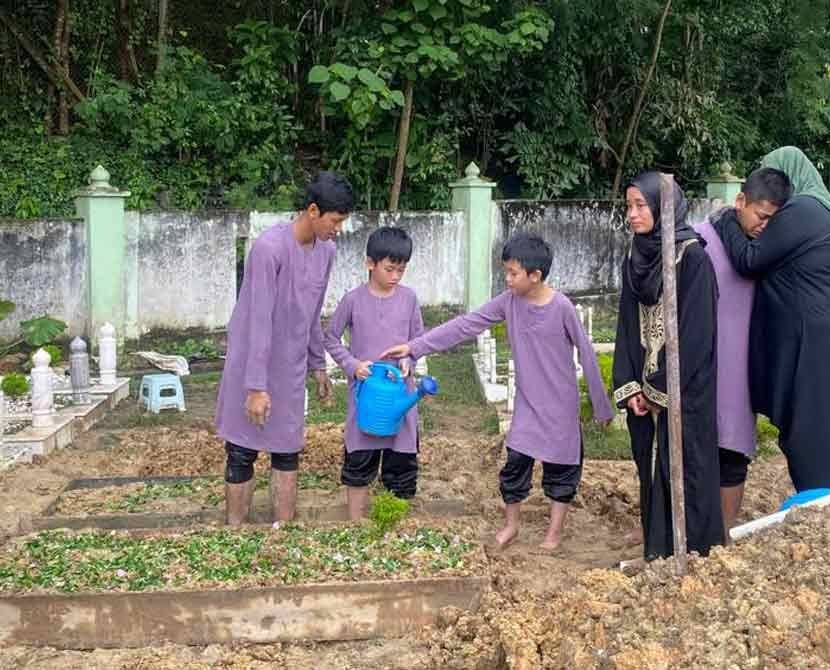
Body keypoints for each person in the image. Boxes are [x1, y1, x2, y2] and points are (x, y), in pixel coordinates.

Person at [381, 233, 614, 551]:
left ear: (535, 275)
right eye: (506, 271)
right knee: (515, 464)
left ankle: (554, 533)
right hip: (527, 404)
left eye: (513, 273)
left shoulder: (562, 307)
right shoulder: (509, 302)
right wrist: (415, 347)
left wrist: (601, 406)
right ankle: (511, 526)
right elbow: (466, 325)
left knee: (562, 471)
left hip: (560, 407)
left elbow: (586, 353)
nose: (507, 279)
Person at [712, 146, 830, 492]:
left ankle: (822, 498)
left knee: (813, 427)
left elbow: (749, 260)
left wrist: (727, 220)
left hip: (818, 342)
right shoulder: (821, 211)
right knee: (825, 426)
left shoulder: (803, 209)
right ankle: (826, 497)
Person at [214, 171, 353, 525]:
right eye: (335, 221)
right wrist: (255, 387)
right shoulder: (269, 249)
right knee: (242, 450)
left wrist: (318, 365)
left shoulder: (326, 252)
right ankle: (234, 532)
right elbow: (258, 319)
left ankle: (284, 533)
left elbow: (312, 312)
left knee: (287, 450)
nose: (338, 229)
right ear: (313, 211)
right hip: (251, 361)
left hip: (289, 366)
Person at [612, 171, 724, 563]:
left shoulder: (692, 258)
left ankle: (695, 554)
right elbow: (627, 324)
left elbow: (697, 335)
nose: (632, 214)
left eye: (640, 205)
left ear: (664, 208)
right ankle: (657, 551)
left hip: (686, 390)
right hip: (645, 390)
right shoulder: (634, 257)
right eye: (629, 206)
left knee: (685, 469)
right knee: (650, 469)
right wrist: (631, 385)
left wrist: (659, 389)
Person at [693, 167, 792, 537]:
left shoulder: (768, 251)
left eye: (772, 220)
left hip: (741, 369)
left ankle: (723, 534)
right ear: (740, 201)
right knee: (688, 450)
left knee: (733, 453)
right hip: (698, 364)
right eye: (760, 216)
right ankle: (675, 529)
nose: (764, 226)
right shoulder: (700, 240)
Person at [324, 226, 424, 520]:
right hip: (366, 393)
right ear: (370, 263)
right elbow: (331, 338)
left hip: (400, 396)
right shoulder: (353, 300)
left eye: (401, 270)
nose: (395, 276)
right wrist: (353, 365)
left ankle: (395, 526)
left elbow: (419, 339)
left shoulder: (409, 299)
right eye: (389, 269)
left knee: (401, 465)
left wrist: (409, 358)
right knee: (359, 462)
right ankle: (357, 523)